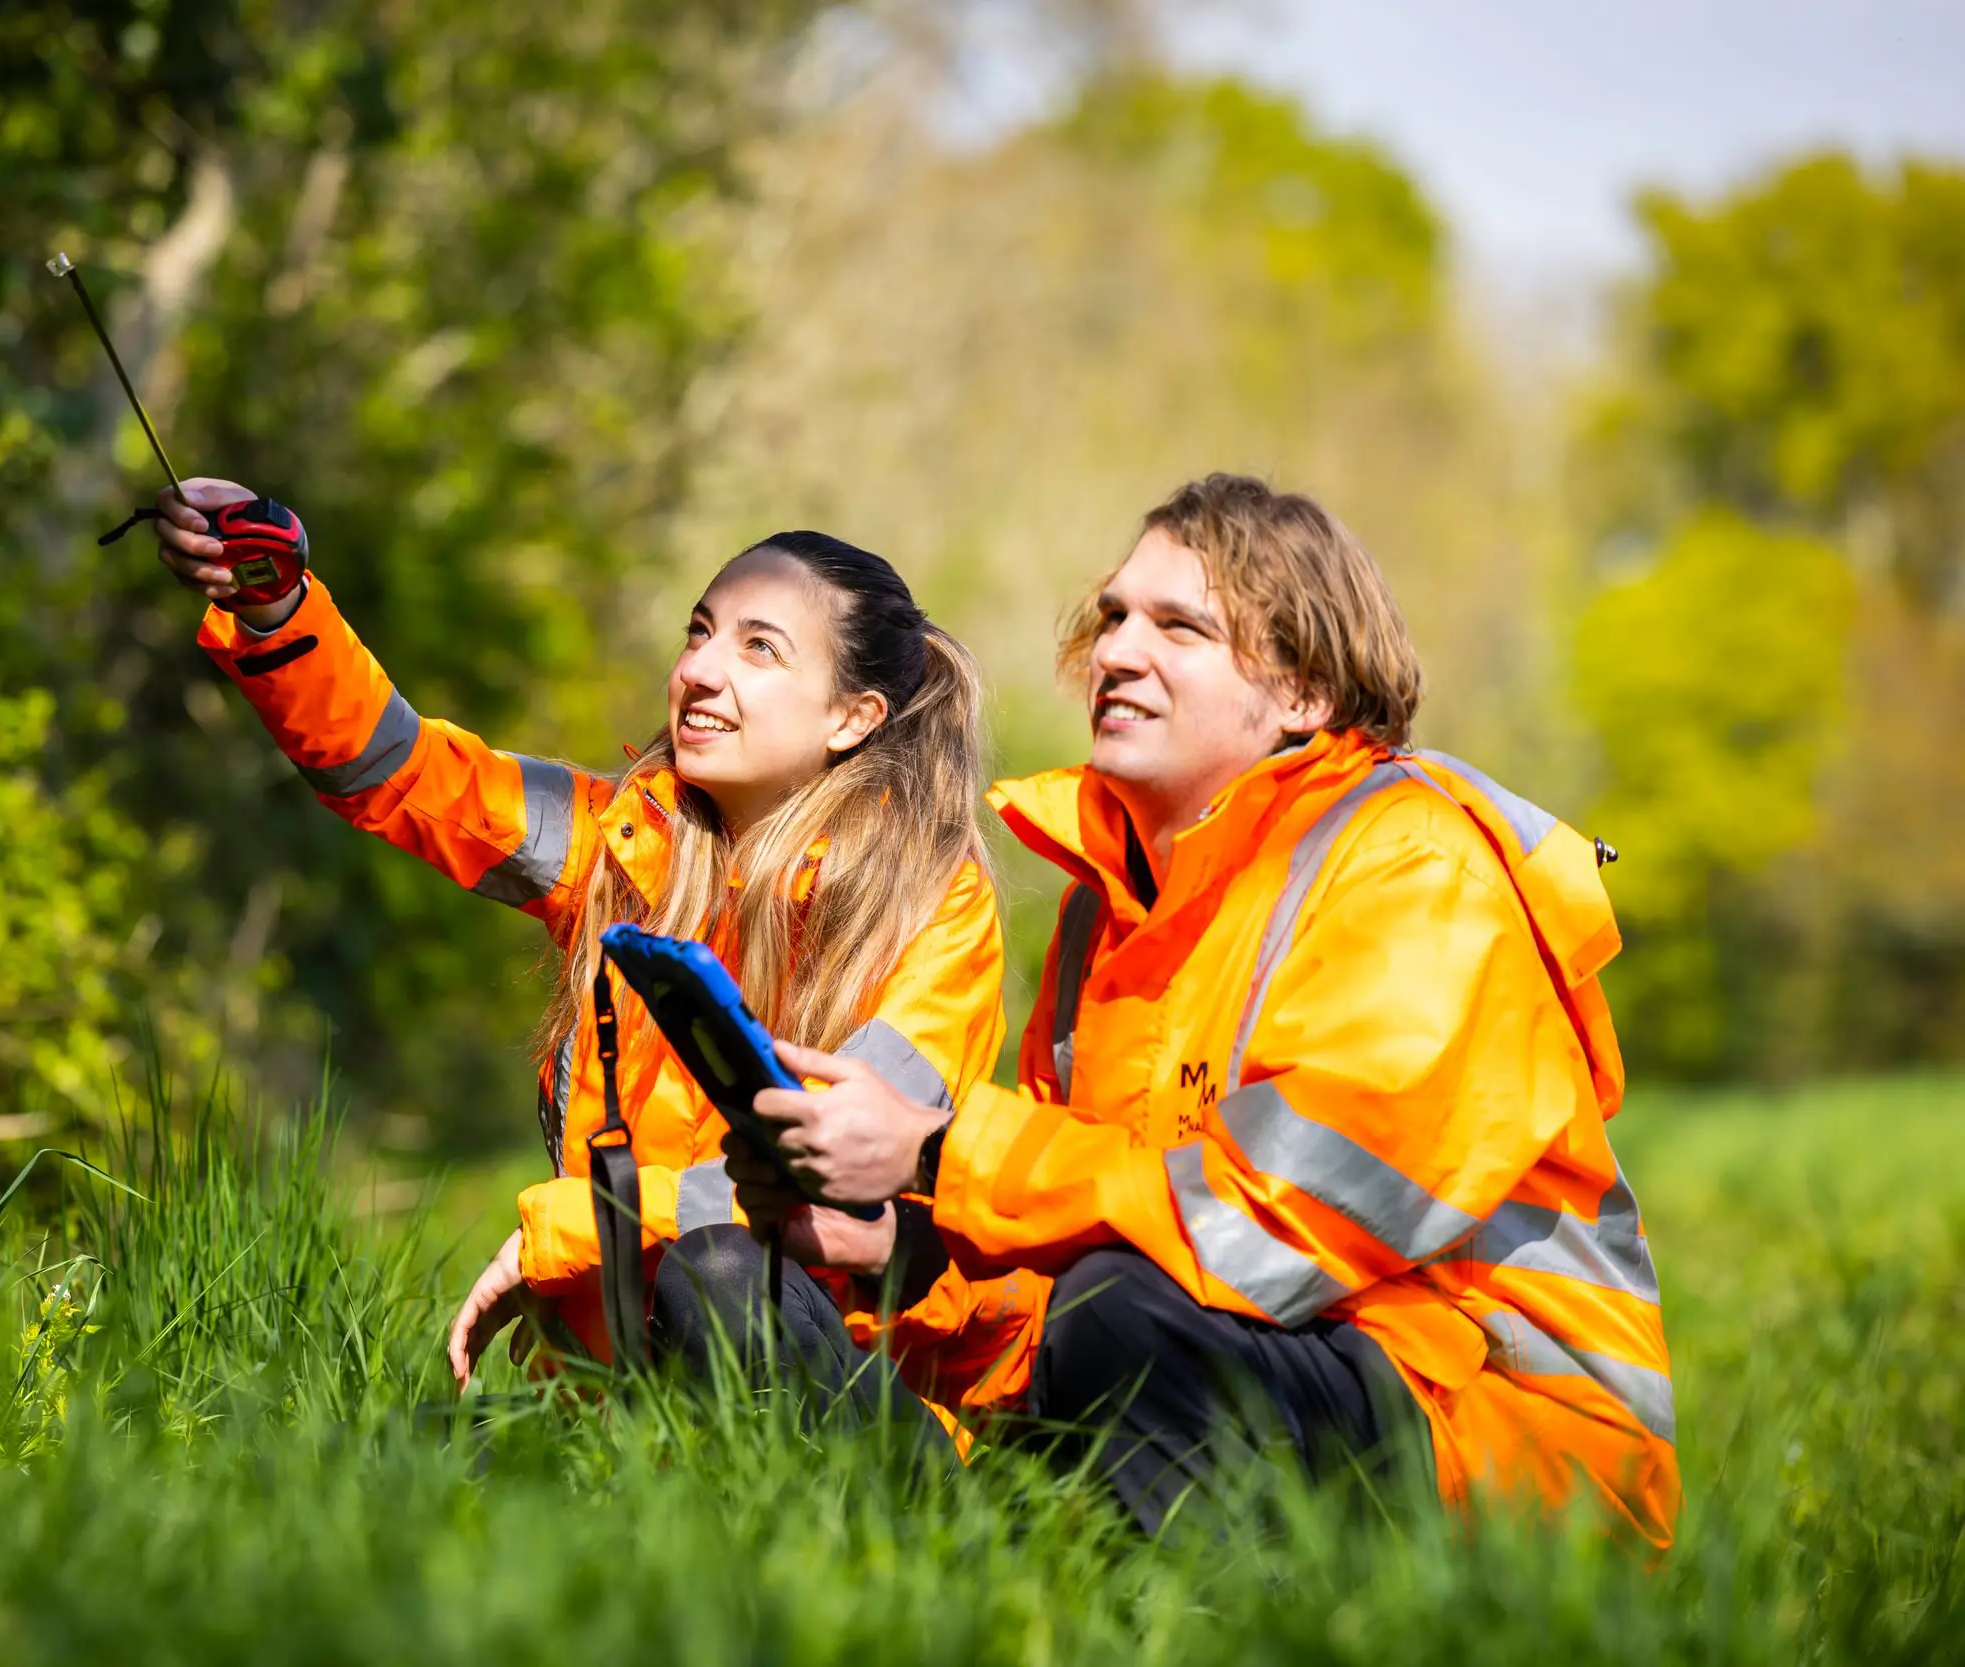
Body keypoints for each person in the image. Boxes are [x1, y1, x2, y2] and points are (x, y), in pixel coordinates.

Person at [713, 473, 1679, 1545]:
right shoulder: (1109, 911)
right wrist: (898, 1253)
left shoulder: (1412, 864)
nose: (1117, 651)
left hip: (1518, 1463)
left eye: (1180, 626)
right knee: (775, 1296)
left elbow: (1277, 1228)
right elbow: (1075, 1258)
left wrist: (939, 1153)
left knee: (1113, 1318)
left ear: (1304, 690)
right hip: (1248, 1370)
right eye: (1114, 616)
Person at [150, 479, 1045, 1434]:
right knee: (353, 1466)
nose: (702, 670)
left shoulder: (927, 906)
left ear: (852, 718)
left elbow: (823, 1178)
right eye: (699, 632)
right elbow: (393, 769)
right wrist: (277, 602)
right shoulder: (616, 842)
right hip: (612, 1404)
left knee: (723, 1276)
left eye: (759, 649)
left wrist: (567, 1235)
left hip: (838, 1400)